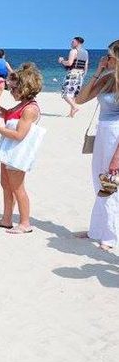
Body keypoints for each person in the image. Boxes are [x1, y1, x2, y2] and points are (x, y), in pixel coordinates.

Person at [0, 62, 43, 234]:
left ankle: (25, 223)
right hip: (9, 150)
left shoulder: (30, 108)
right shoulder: (22, 104)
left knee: (18, 188)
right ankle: (6, 219)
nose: (11, 92)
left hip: (18, 152)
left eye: (14, 89)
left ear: (24, 88)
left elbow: (19, 135)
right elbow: (10, 115)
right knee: (6, 185)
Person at [75, 39, 119, 250]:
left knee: (111, 183)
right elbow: (81, 99)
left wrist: (117, 156)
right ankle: (97, 230)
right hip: (103, 132)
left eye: (109, 55)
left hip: (116, 135)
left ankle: (110, 235)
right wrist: (97, 71)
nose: (106, 58)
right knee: (98, 181)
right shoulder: (107, 78)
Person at [59, 36, 89, 118]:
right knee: (74, 95)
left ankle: (75, 107)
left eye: (73, 42)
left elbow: (69, 63)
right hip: (80, 75)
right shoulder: (86, 52)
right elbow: (86, 66)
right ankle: (71, 114)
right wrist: (83, 75)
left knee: (65, 94)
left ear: (78, 43)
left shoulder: (73, 51)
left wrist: (61, 61)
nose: (71, 43)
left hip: (72, 74)